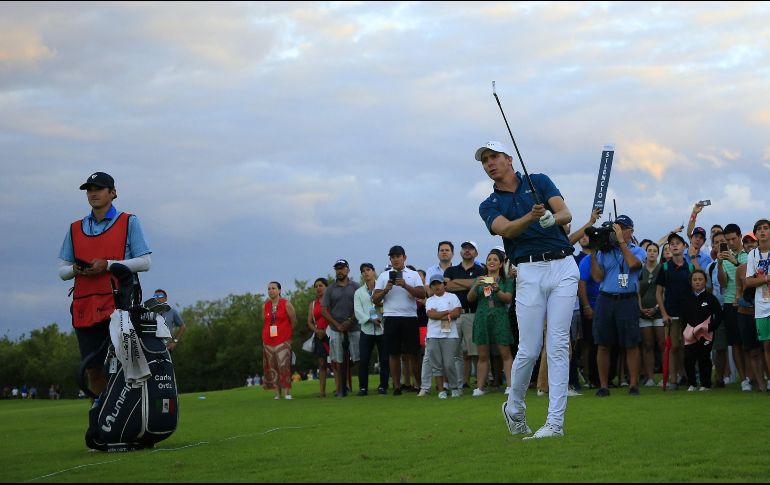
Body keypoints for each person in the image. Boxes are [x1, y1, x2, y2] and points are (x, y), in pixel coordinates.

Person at [475, 140, 579, 440]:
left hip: (563, 266)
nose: (490, 163)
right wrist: (532, 217)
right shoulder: (489, 204)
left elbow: (565, 213)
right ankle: (515, 406)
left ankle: (555, 423)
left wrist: (551, 217)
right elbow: (506, 230)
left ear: (509, 158)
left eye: (494, 157)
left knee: (558, 344)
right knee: (530, 348)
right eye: (485, 160)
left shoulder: (539, 181)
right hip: (529, 271)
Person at [58, 172, 151, 398]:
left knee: (125, 366)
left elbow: (145, 262)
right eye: (89, 190)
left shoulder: (129, 221)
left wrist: (108, 265)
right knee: (93, 369)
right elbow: (62, 271)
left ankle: (128, 416)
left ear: (113, 193)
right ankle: (100, 419)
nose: (93, 193)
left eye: (98, 189)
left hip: (119, 304)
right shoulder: (75, 228)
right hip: (84, 306)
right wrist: (75, 270)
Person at [590, 215, 646, 396]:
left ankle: (633, 384)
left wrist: (622, 242)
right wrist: (593, 251)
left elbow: (632, 264)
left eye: (622, 228)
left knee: (631, 343)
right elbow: (598, 277)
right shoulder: (604, 251)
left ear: (631, 231)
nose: (618, 231)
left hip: (627, 299)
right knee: (603, 344)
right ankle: (604, 386)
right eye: (616, 228)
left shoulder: (637, 251)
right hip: (606, 299)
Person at [372, 245, 425, 395]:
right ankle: (396, 386)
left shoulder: (413, 274)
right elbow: (375, 299)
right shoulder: (384, 276)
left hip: (409, 317)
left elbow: (422, 293)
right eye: (392, 257)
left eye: (398, 256)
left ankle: (419, 385)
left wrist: (406, 285)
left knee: (413, 353)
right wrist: (386, 290)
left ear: (404, 257)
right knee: (393, 353)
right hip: (391, 317)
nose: (395, 259)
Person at [467, 249, 515, 397]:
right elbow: (470, 298)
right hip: (482, 317)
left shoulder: (507, 280)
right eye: (489, 260)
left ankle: (510, 386)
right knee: (482, 355)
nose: (492, 262)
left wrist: (497, 289)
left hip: (499, 316)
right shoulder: (480, 279)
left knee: (505, 353)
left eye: (495, 260)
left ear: (501, 264)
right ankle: (480, 388)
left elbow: (508, 299)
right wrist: (476, 285)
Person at [444, 241, 487, 390]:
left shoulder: (481, 270)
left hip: (472, 314)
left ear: (476, 253)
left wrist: (458, 282)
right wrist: (471, 283)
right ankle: (459, 381)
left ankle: (475, 381)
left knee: (473, 352)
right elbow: (447, 286)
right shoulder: (451, 270)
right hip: (453, 315)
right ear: (461, 252)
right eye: (465, 248)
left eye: (471, 249)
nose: (467, 251)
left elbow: (483, 284)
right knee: (454, 351)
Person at [717, 224, 750, 391]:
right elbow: (723, 283)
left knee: (749, 344)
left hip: (747, 303)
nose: (730, 242)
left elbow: (748, 278)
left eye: (733, 239)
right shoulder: (724, 257)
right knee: (736, 344)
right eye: (727, 240)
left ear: (740, 236)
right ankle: (744, 379)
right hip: (730, 302)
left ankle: (753, 376)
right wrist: (719, 264)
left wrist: (735, 262)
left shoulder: (748, 255)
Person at [321, 259, 361, 397]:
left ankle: (362, 387)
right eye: (337, 268)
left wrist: (350, 320)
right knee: (338, 360)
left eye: (342, 268)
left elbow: (361, 306)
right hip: (336, 328)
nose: (339, 271)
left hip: (354, 326)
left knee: (358, 358)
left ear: (348, 269)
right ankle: (340, 388)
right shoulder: (330, 289)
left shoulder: (356, 286)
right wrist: (337, 324)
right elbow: (324, 310)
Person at [681, 270, 723, 391]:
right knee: (689, 358)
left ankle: (705, 384)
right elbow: (683, 317)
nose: (698, 282)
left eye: (700, 279)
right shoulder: (687, 298)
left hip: (706, 334)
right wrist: (684, 331)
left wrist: (710, 328)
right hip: (690, 334)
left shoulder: (710, 298)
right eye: (695, 280)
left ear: (705, 281)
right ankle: (692, 383)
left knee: (704, 357)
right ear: (691, 282)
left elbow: (719, 315)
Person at [424, 274, 463, 399]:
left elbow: (457, 312)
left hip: (450, 335)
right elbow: (431, 315)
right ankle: (441, 390)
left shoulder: (453, 297)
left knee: (449, 363)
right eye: (433, 284)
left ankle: (454, 387)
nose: (436, 286)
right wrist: (448, 311)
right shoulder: (430, 300)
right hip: (433, 335)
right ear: (431, 287)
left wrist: (440, 314)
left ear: (444, 284)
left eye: (439, 283)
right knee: (437, 365)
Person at [353, 263, 389, 396]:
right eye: (363, 271)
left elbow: (388, 304)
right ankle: (363, 388)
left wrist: (382, 316)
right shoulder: (358, 292)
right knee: (364, 360)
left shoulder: (382, 288)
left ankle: (383, 386)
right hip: (366, 329)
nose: (366, 273)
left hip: (382, 328)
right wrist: (370, 319)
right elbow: (358, 311)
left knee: (384, 359)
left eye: (368, 270)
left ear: (374, 272)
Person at [744, 218, 770, 391]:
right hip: (761, 305)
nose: (762, 231)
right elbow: (748, 282)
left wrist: (758, 279)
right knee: (766, 345)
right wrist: (766, 279)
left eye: (766, 228)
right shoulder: (752, 255)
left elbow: (754, 280)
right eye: (759, 229)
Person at [262, 281, 297, 400]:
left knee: (284, 365)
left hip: (283, 339)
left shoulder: (286, 304)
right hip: (268, 340)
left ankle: (287, 392)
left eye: (273, 288)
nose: (270, 290)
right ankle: (277, 393)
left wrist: (288, 335)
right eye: (269, 289)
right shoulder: (265, 305)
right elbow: (265, 321)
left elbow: (294, 321)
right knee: (272, 367)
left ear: (279, 290)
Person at [637, 242, 663, 386]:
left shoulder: (662, 269)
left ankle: (666, 376)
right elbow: (637, 292)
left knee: (662, 344)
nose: (652, 253)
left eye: (654, 251)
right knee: (647, 345)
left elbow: (664, 292)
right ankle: (650, 377)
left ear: (658, 253)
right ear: (646, 253)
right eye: (649, 250)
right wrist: (640, 308)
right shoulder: (640, 270)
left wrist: (657, 307)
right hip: (643, 313)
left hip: (659, 312)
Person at [307, 278, 330, 397]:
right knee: (321, 363)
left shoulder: (332, 300)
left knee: (336, 362)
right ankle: (322, 391)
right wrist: (317, 331)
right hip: (319, 335)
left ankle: (341, 387)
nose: (318, 288)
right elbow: (309, 321)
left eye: (320, 285)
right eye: (316, 286)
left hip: (332, 333)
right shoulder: (313, 304)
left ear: (326, 287)